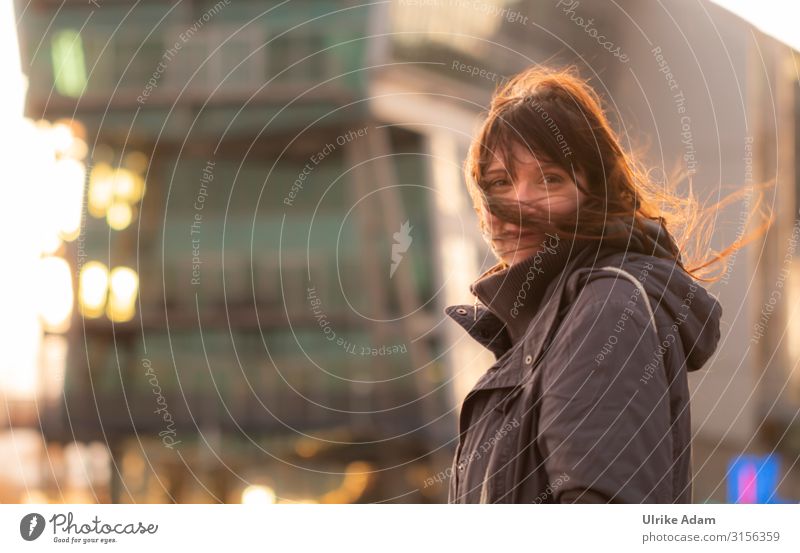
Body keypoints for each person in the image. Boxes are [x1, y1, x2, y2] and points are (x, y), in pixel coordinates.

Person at [444, 65, 772, 503]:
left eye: (549, 179)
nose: (518, 202)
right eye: (500, 182)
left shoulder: (604, 310)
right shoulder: (546, 326)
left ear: (594, 195)